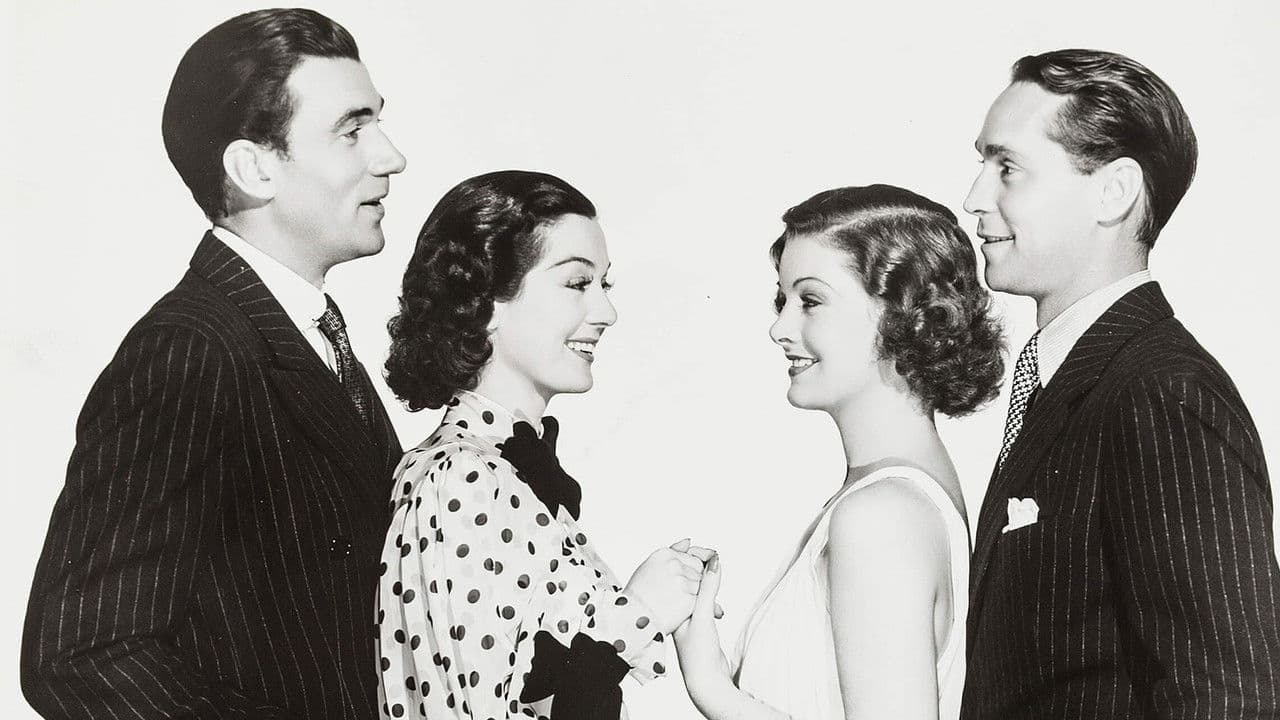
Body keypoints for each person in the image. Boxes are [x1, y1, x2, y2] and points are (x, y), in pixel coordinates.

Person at [20, 9, 407, 719]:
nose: (390, 157)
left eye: (377, 124)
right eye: (352, 131)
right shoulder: (191, 349)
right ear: (254, 168)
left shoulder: (302, 334)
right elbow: (81, 657)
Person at [961, 49, 1280, 719]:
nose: (974, 199)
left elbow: (1231, 699)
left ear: (1114, 192)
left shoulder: (1162, 393)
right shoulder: (1091, 382)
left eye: (1007, 167)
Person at [378, 170, 709, 720]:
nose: (606, 313)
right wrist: (638, 613)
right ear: (485, 301)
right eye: (578, 283)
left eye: (605, 285)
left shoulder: (506, 472)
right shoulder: (458, 478)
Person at [675, 185, 1005, 719]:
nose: (779, 328)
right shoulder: (894, 497)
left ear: (903, 312)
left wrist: (711, 687)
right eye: (782, 301)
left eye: (810, 301)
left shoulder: (882, 514)